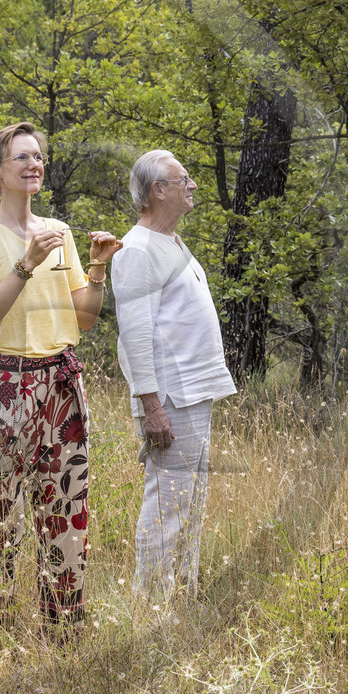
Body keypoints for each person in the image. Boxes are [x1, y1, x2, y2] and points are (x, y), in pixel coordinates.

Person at [0, 121, 121, 631]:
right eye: (21, 158)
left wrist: (97, 269)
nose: (34, 164)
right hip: (5, 384)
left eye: (38, 157)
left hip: (60, 384)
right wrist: (26, 264)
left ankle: (64, 630)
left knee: (66, 514)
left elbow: (86, 318)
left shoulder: (60, 233)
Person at [111, 150, 237, 599]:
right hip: (170, 397)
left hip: (193, 392)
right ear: (156, 191)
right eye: (183, 178)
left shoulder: (171, 241)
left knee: (190, 500)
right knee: (168, 501)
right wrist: (151, 406)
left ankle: (181, 596)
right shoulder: (138, 250)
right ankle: (150, 604)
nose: (193, 185)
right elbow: (135, 335)